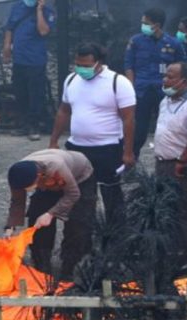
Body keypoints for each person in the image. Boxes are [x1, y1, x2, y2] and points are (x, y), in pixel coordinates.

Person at [49, 43, 136, 221]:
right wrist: (53, 140)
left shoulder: (117, 82)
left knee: (111, 192)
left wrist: (128, 151)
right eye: (78, 64)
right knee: (77, 193)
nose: (81, 69)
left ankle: (116, 233)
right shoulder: (71, 80)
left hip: (108, 147)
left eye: (87, 66)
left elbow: (129, 119)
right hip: (77, 147)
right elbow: (63, 111)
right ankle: (82, 235)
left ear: (99, 63)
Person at [5, 149, 96, 281]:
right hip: (47, 185)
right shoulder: (17, 175)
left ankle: (70, 268)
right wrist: (10, 227)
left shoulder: (56, 168)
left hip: (79, 179)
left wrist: (50, 213)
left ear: (38, 176)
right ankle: (42, 265)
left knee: (78, 224)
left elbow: (73, 194)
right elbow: (17, 202)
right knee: (37, 221)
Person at [153, 62, 187, 254]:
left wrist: (183, 161)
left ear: (183, 81)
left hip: (185, 166)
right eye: (165, 76)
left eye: (170, 77)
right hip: (163, 164)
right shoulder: (165, 101)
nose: (165, 80)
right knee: (167, 209)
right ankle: (172, 252)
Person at [124, 7, 186, 158]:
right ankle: (130, 162)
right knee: (138, 131)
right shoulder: (136, 41)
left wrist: (176, 90)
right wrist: (131, 88)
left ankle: (168, 161)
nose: (143, 25)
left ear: (156, 25)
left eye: (146, 23)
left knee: (167, 129)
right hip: (141, 91)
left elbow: (181, 69)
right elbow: (128, 66)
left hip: (164, 92)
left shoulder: (174, 43)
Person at [2, 0, 56, 140]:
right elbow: (10, 28)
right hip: (19, 58)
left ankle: (34, 125)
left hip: (36, 60)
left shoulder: (47, 12)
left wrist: (39, 10)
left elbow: (43, 31)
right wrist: (7, 46)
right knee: (20, 92)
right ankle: (24, 124)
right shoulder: (17, 7)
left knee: (36, 94)